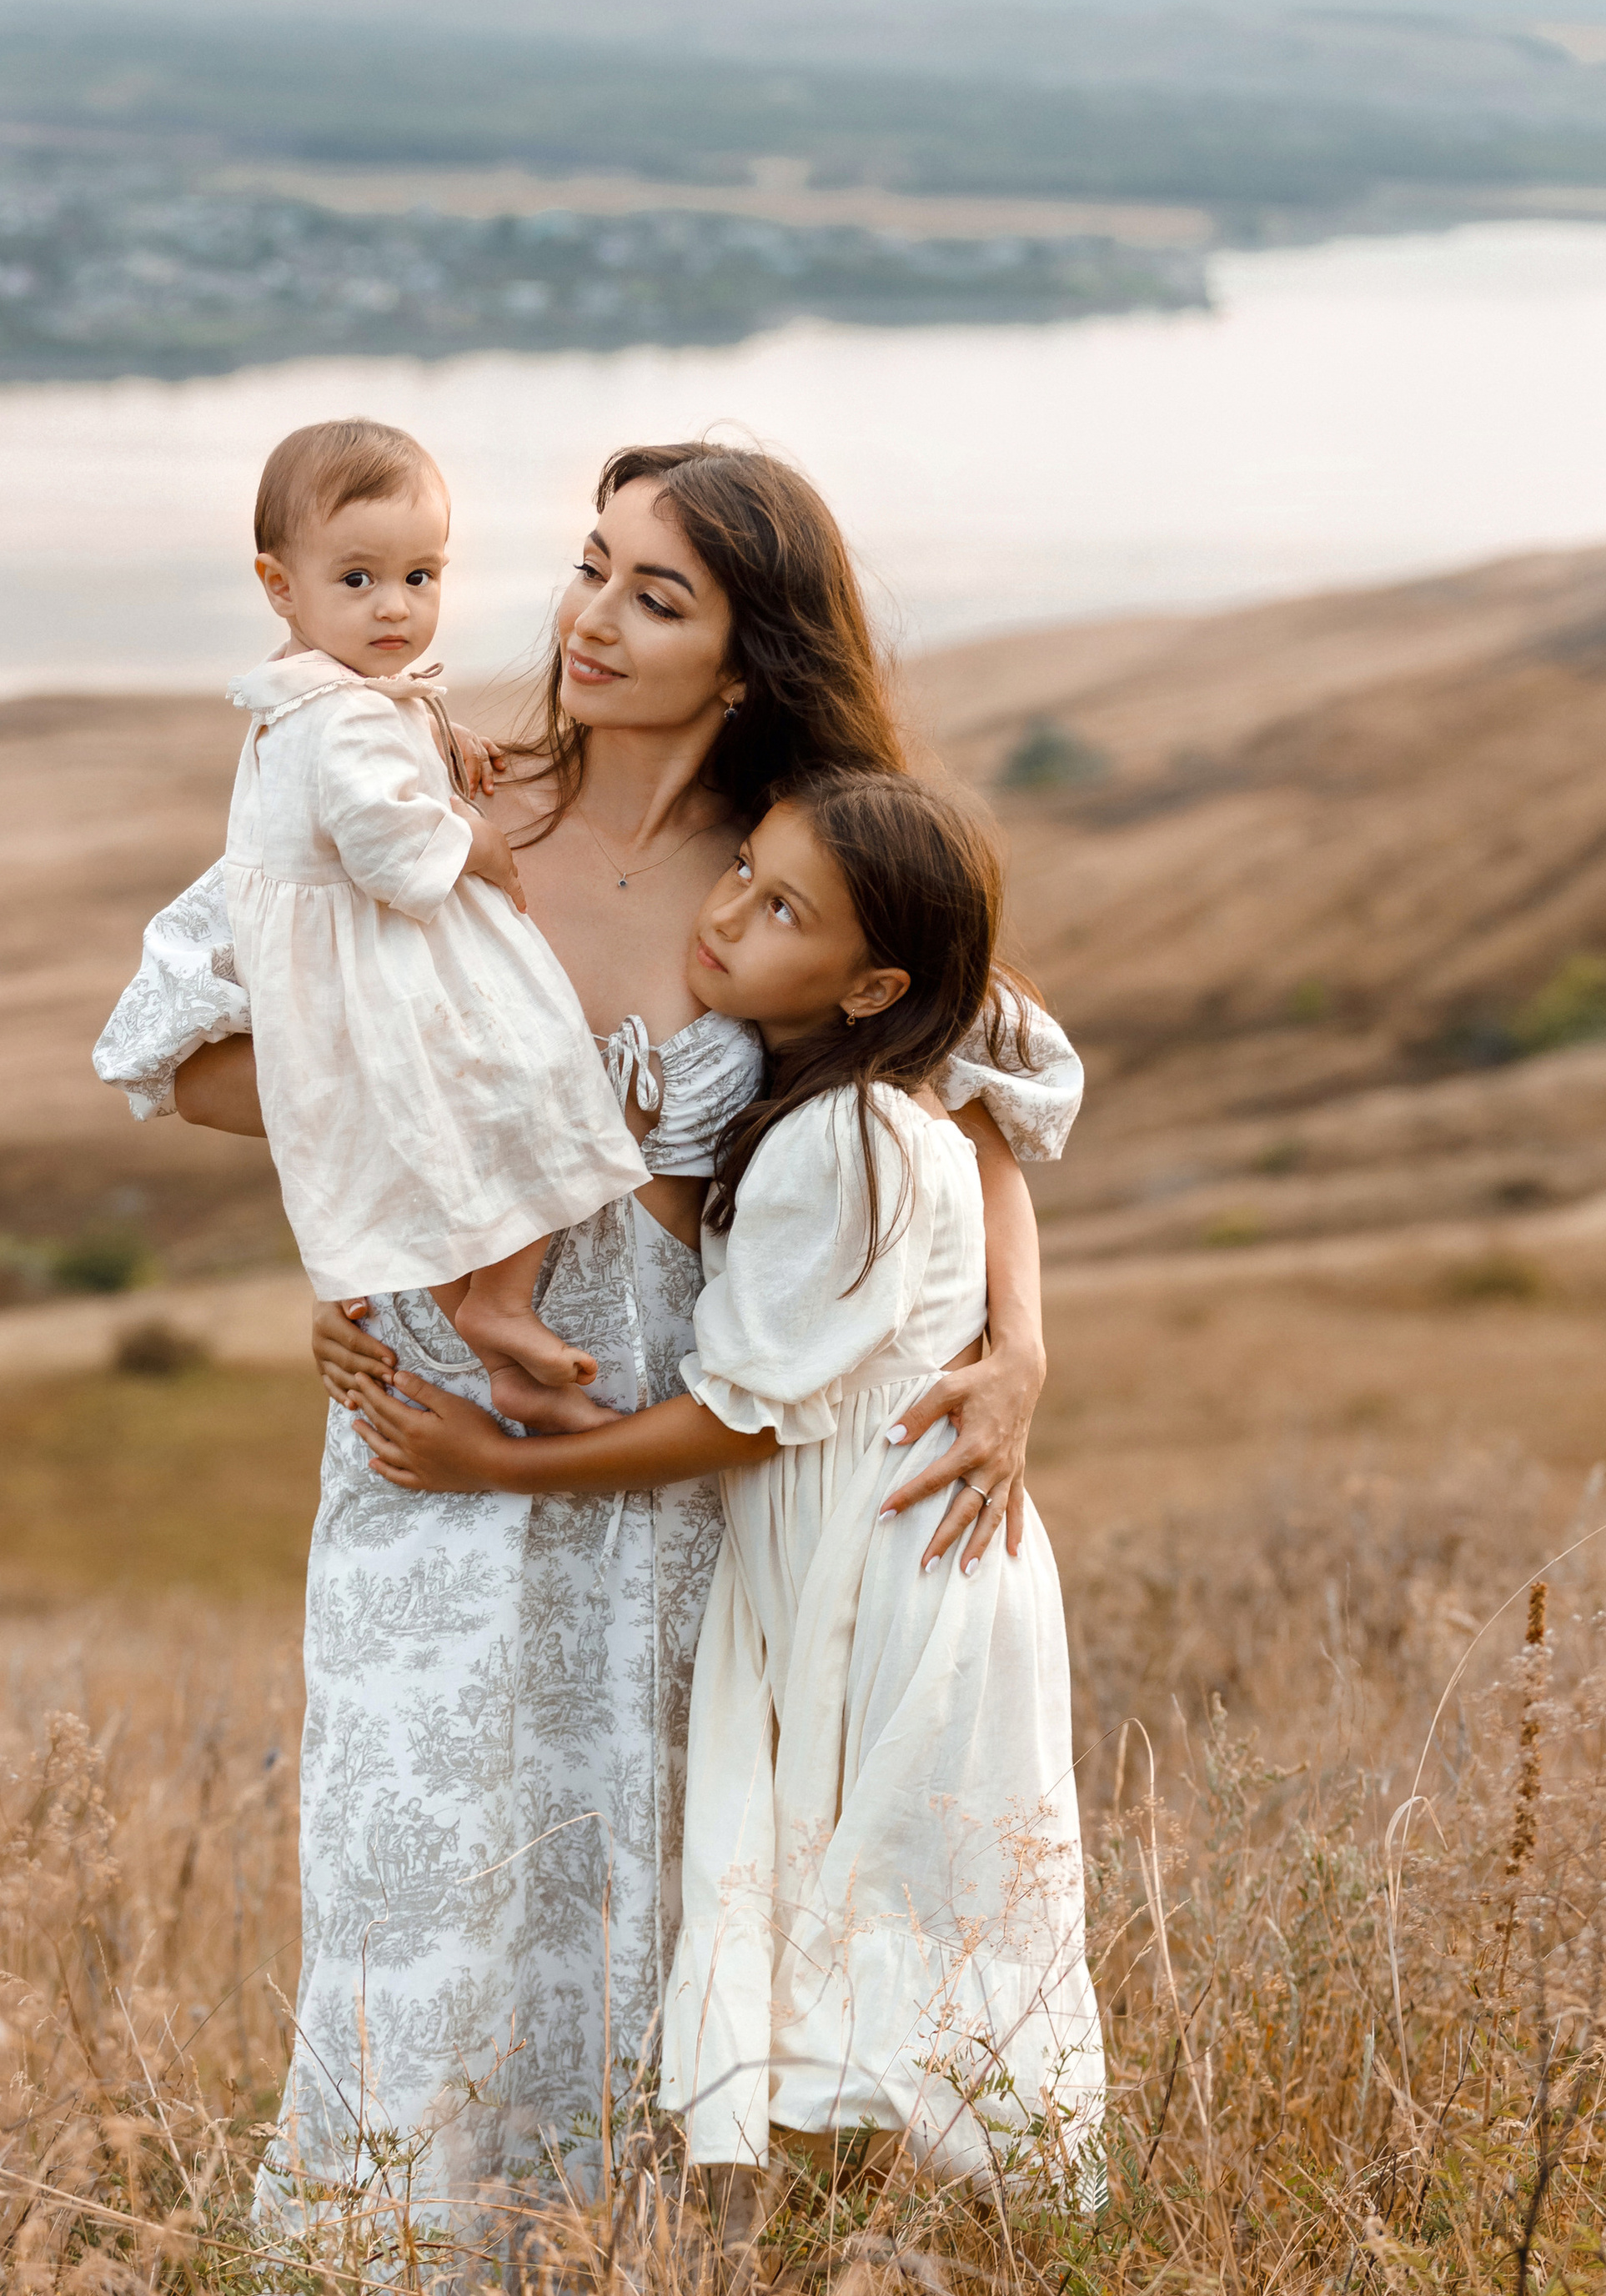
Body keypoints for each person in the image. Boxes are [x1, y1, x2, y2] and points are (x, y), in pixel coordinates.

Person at [93, 441, 1086, 2219]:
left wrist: (1016, 1355)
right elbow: (184, 1060)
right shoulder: (424, 804)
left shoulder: (800, 864)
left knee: (678, 1879)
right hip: (443, 1438)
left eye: (656, 593)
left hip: (706, 1469)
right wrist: (448, 1134)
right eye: (585, 566)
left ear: (752, 647)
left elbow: (982, 1104)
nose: (589, 620)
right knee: (434, 1882)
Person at [350, 774, 1105, 2201]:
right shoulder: (833, 1106)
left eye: (778, 911)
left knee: (894, 1904)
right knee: (891, 1906)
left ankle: (946, 2264)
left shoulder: (854, 1138)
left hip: (876, 1556)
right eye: (744, 869)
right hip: (886, 1546)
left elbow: (748, 1421)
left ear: (877, 983)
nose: (724, 915)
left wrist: (501, 1465)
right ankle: (892, 2261)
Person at [216, 416, 649, 1411]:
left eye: (421, 577)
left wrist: (449, 749)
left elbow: (380, 759)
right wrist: (476, 843)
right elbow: (380, 836)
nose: (396, 608)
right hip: (380, 960)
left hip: (345, 966)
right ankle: (497, 1302)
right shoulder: (344, 713)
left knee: (452, 1127)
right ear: (279, 586)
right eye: (357, 580)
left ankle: (492, 1337)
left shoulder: (330, 696)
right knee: (529, 1074)